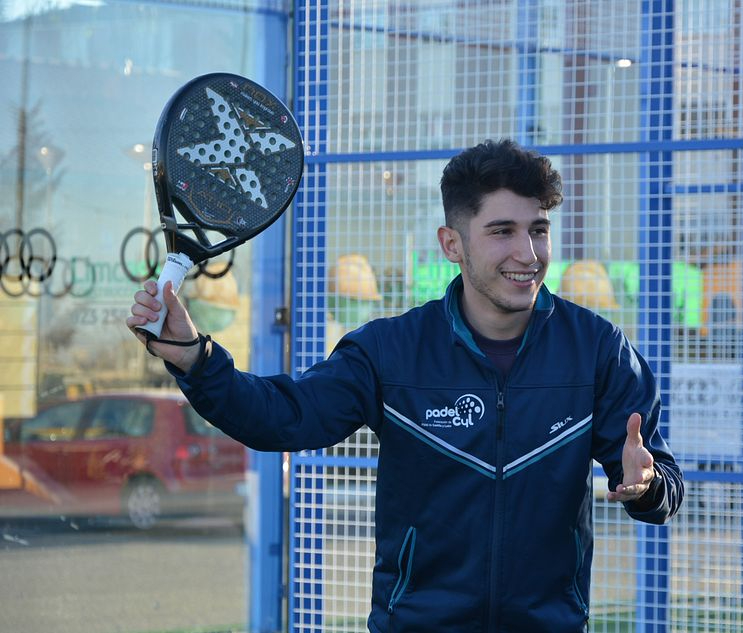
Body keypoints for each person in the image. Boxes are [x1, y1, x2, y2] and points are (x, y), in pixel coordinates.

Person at [127, 138, 684, 632]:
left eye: (538, 230)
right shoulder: (389, 352)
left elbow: (660, 488)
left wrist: (648, 484)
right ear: (452, 243)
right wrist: (195, 357)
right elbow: (282, 416)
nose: (529, 254)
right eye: (502, 231)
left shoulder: (597, 351)